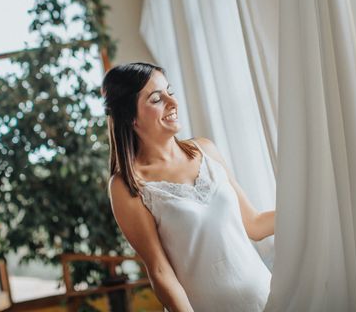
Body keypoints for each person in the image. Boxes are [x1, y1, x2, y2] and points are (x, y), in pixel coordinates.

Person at [102, 62, 275, 312]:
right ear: (130, 117)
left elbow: (255, 224)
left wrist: (312, 208)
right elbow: (161, 271)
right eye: (156, 99)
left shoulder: (205, 149)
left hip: (267, 298)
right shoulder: (127, 185)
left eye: (169, 91)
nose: (173, 103)